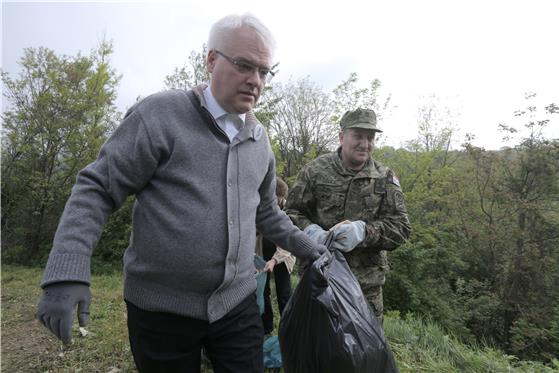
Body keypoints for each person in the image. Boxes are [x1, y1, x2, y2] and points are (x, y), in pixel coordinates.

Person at [36, 13, 327, 373]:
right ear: (211, 60)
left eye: (264, 71)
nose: (255, 80)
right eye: (243, 65)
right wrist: (67, 269)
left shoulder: (259, 140)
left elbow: (266, 212)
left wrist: (311, 248)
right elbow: (98, 188)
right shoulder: (159, 115)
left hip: (235, 304)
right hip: (161, 312)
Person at [284, 108, 412, 325]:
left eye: (370, 138)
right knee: (316, 344)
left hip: (365, 287)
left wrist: (364, 232)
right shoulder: (315, 171)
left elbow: (402, 227)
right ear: (342, 137)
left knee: (364, 352)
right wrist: (310, 231)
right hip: (319, 278)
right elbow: (291, 213)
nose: (365, 144)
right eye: (358, 136)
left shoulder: (384, 177)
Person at [259, 177, 295, 335]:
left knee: (284, 294)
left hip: (282, 257)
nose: (278, 201)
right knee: (263, 291)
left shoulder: (288, 212)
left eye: (279, 198)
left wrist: (274, 260)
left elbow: (288, 243)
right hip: (262, 255)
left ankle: (289, 329)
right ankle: (267, 328)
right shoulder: (260, 209)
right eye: (275, 198)